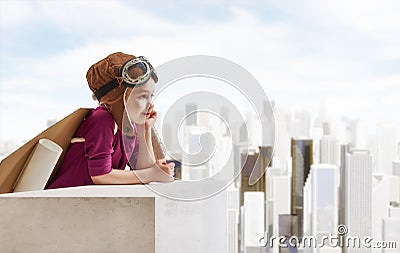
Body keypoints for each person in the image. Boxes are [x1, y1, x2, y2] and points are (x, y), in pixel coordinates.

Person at [47, 52, 174, 189]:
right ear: (119, 97)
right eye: (142, 96)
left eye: (151, 96)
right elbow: (100, 175)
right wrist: (152, 174)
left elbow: (144, 168)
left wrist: (145, 127)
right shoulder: (102, 119)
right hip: (62, 202)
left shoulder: (128, 126)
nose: (150, 103)